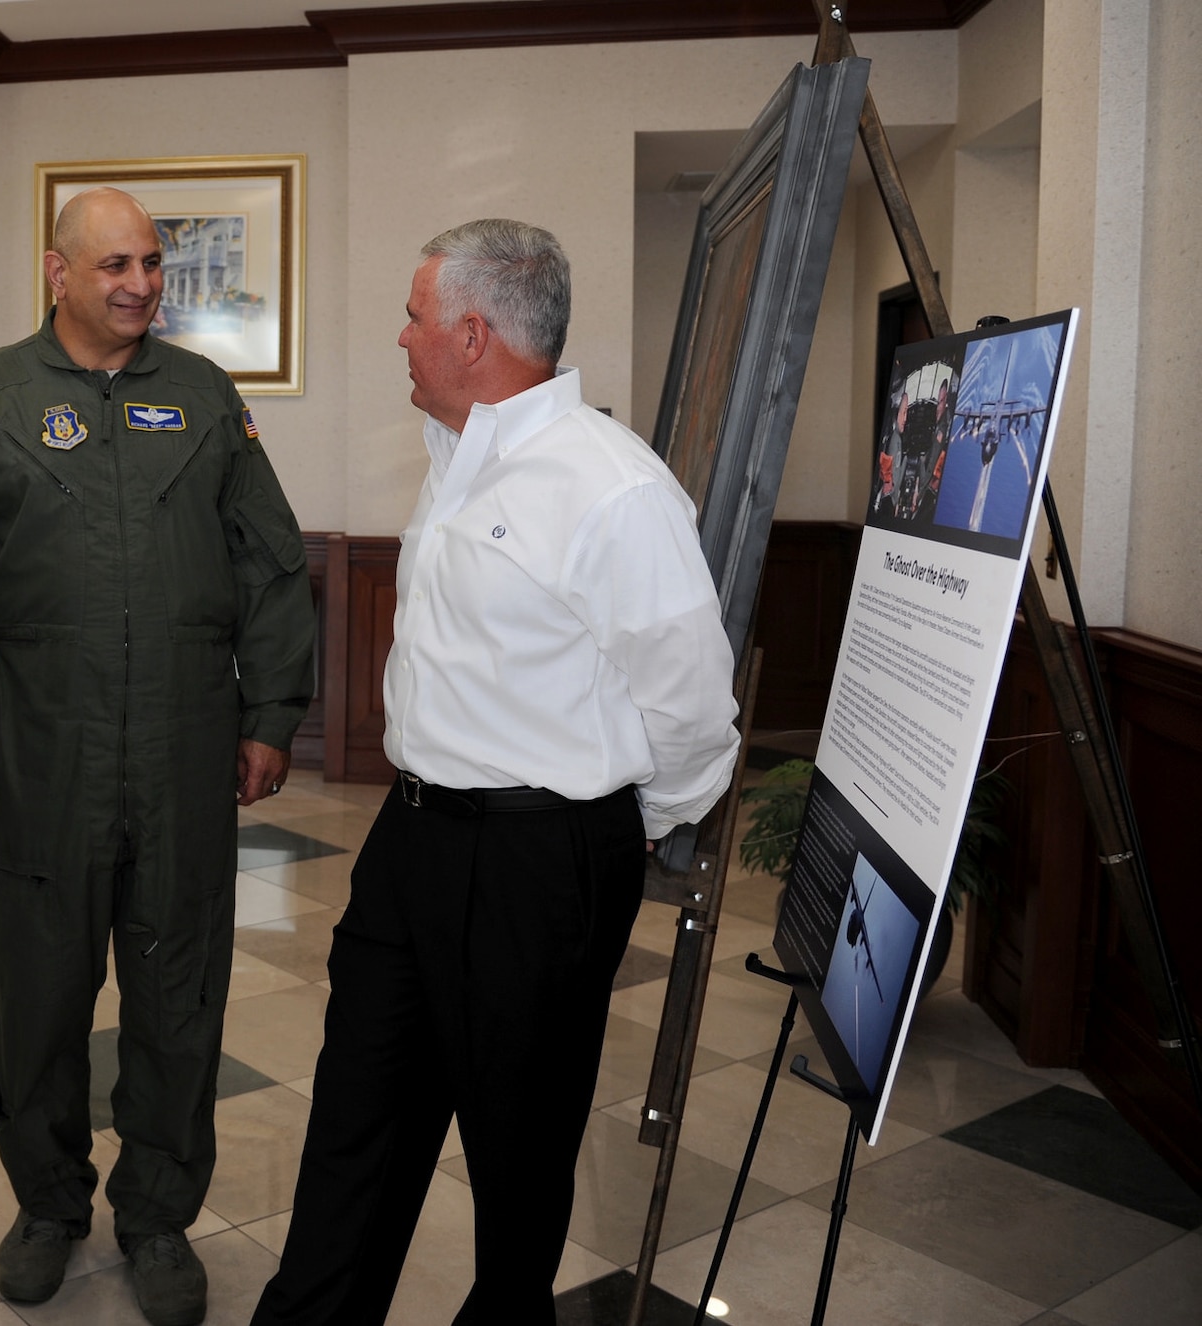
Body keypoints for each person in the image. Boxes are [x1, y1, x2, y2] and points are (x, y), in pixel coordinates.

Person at [250, 219, 740, 1326]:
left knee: (515, 1161)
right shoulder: (457, 460)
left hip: (538, 861)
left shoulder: (612, 489)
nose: (400, 337)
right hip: (412, 842)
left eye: (415, 317)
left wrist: (602, 826)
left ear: (471, 334)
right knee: (355, 1124)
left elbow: (694, 716)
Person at [0, 187, 316, 1326]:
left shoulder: (204, 397)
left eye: (150, 263)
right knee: (34, 993)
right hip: (39, 749)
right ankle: (46, 1204)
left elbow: (272, 563)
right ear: (56, 271)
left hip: (183, 748)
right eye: (112, 264)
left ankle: (158, 1214)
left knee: (179, 990)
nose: (137, 284)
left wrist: (271, 713)